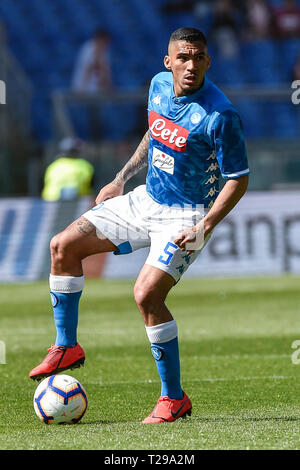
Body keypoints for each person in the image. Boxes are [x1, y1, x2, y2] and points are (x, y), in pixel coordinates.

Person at [29, 28, 249, 424]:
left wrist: (206, 224)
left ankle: (173, 399)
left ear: (208, 62)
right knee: (62, 246)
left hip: (190, 215)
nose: (191, 65)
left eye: (199, 57)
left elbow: (238, 178)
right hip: (146, 198)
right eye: (183, 57)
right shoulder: (159, 86)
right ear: (168, 62)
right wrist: (120, 178)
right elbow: (154, 132)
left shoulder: (220, 115)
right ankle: (66, 346)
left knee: (146, 294)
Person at [42, 137, 94, 201]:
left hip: (50, 203)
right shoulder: (84, 165)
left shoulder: (53, 166)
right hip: (77, 203)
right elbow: (92, 184)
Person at [71, 28, 113, 93]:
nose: (106, 45)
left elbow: (106, 72)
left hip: (96, 89)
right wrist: (82, 87)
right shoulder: (87, 49)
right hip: (83, 86)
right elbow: (87, 69)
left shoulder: (105, 51)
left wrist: (108, 85)